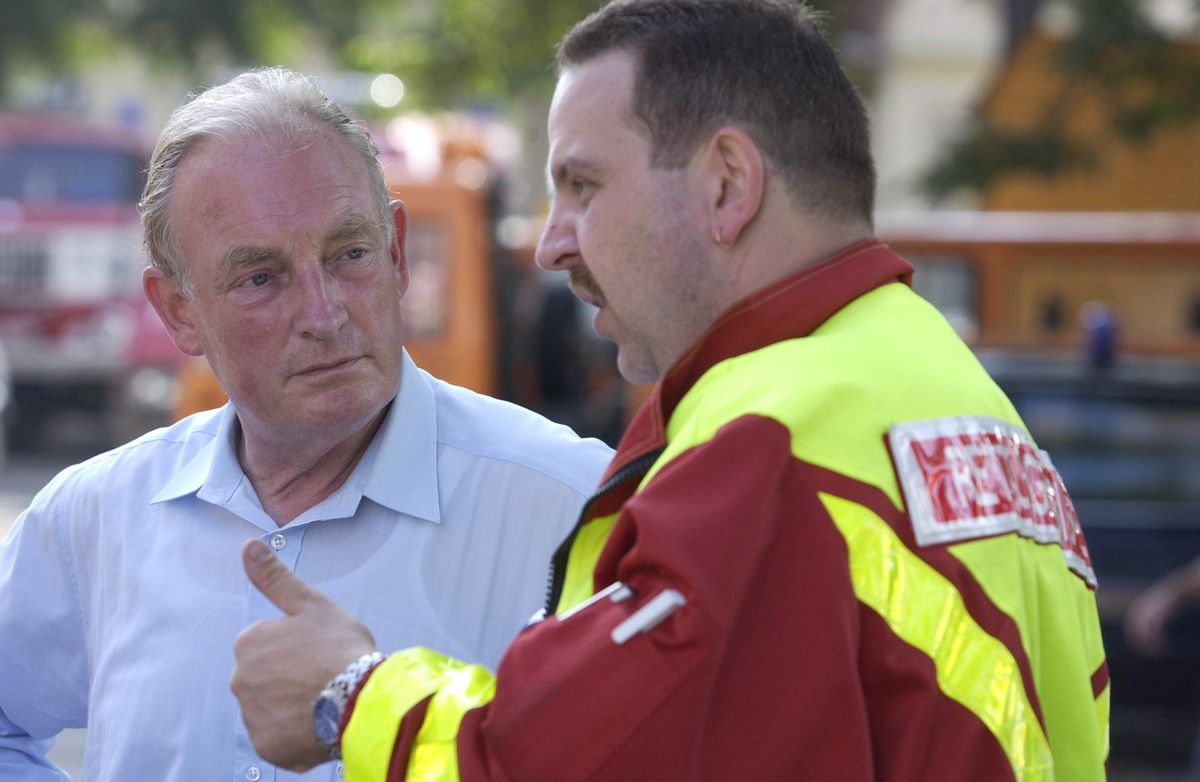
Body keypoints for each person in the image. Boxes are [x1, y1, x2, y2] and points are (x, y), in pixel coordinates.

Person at [229, 2, 1110, 779]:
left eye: (582, 185)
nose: (552, 245)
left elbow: (562, 763)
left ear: (727, 185)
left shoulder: (775, 437)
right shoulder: (955, 394)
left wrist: (350, 692)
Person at [0, 68, 612, 781]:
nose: (323, 314)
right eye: (261, 278)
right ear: (178, 312)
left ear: (396, 253)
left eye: (349, 254)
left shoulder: (572, 509)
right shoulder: (94, 519)